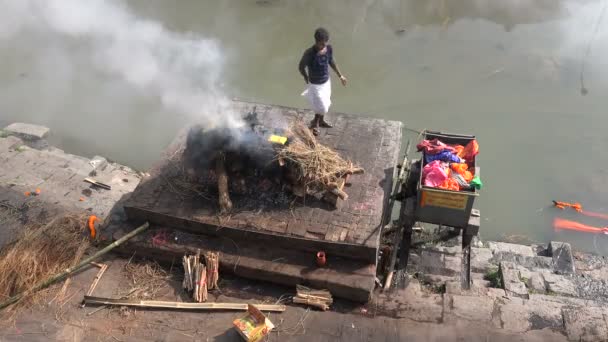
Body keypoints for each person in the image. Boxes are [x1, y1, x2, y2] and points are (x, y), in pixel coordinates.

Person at [298, 27, 347, 136]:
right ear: (316, 41)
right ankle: (315, 123)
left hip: (326, 81)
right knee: (322, 106)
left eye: (325, 43)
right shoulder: (309, 54)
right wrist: (306, 77)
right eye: (321, 44)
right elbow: (301, 67)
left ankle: (319, 121)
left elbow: (331, 61)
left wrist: (340, 76)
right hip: (315, 84)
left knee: (325, 103)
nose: (324, 46)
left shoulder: (328, 49)